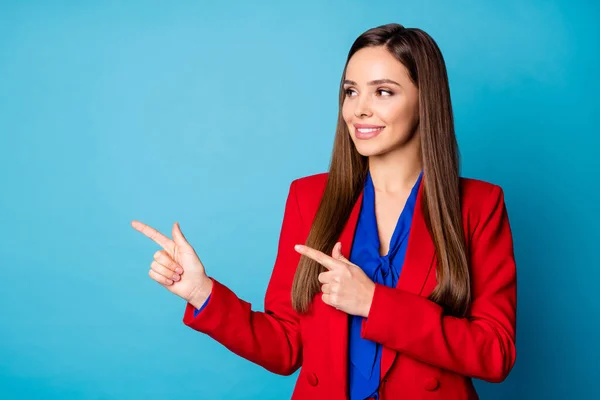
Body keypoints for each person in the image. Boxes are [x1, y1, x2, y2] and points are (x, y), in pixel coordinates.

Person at [131, 23, 517, 400]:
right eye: (351, 92)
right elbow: (285, 346)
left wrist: (374, 303)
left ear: (425, 100)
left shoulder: (479, 205)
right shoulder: (308, 197)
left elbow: (495, 353)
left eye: (383, 92)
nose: (359, 110)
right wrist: (202, 293)